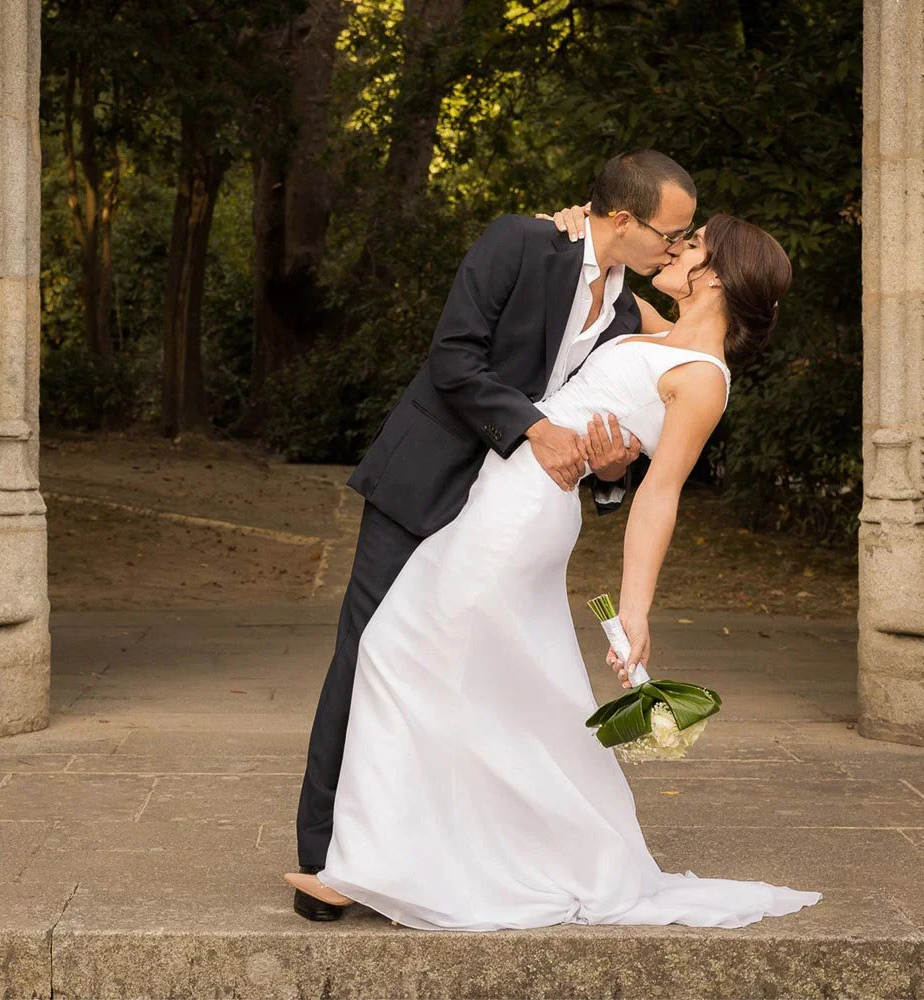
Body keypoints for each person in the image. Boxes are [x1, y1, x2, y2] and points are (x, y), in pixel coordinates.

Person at [285, 213, 825, 931]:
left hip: (521, 516)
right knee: (469, 679)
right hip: (493, 495)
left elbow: (658, 496)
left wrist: (635, 613)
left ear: (717, 273)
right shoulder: (650, 324)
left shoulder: (702, 379)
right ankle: (427, 853)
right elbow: (593, 269)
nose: (673, 247)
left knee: (396, 653)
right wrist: (576, 223)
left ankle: (370, 869)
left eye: (689, 243)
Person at [292, 150, 698, 921]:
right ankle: (323, 857)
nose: (673, 250)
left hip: (505, 518)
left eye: (682, 242)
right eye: (669, 235)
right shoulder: (521, 242)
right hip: (427, 483)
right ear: (622, 219)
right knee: (367, 651)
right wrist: (533, 428)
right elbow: (453, 357)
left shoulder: (622, 315)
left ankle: (420, 851)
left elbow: (613, 425)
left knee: (453, 676)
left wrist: (610, 470)